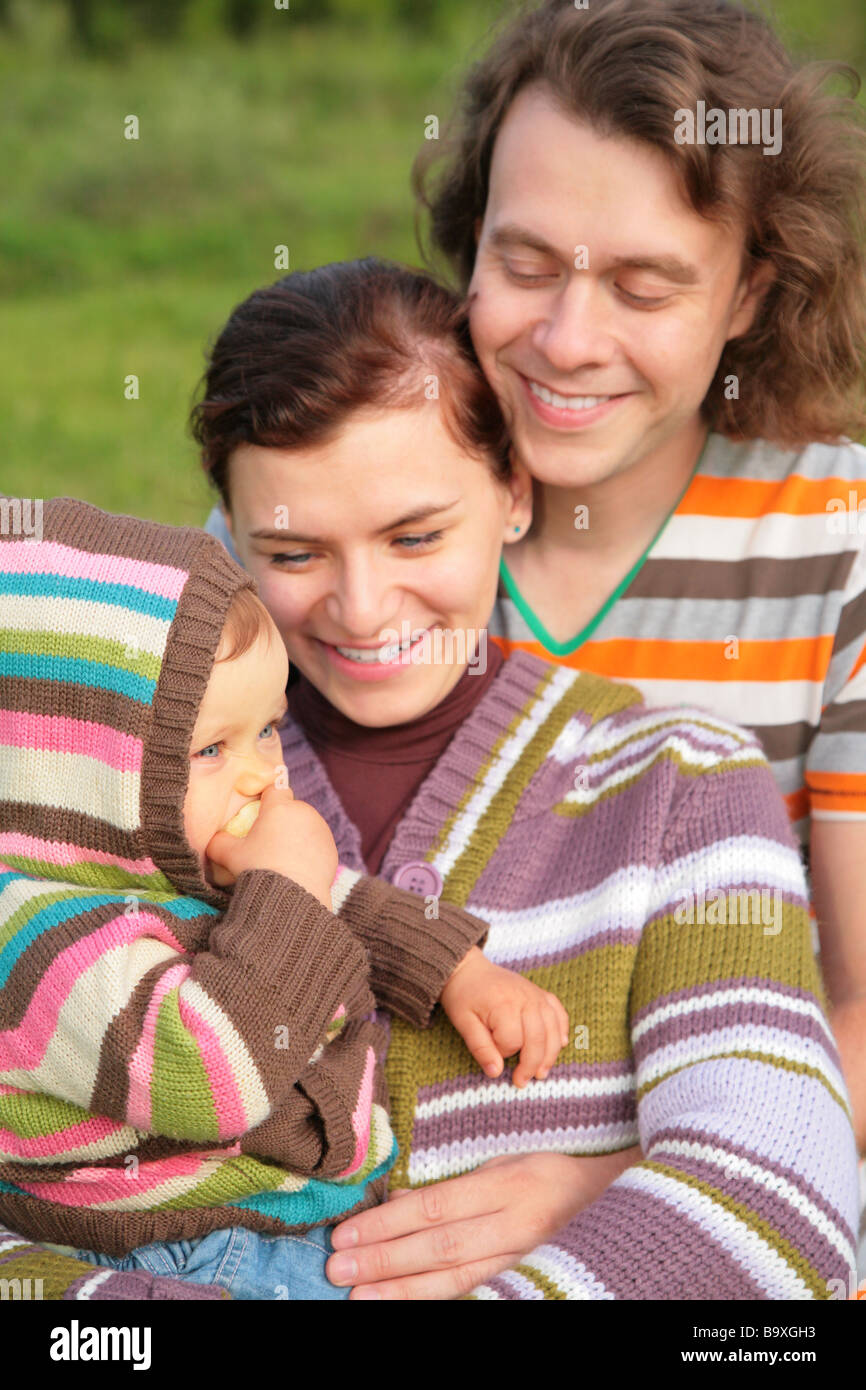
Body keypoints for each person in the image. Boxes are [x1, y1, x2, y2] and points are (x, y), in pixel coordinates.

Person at [196, 257, 859, 1300]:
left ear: (512, 492)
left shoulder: (679, 791)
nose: (362, 609)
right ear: (227, 536)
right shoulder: (141, 810)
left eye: (415, 535)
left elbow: (785, 1203)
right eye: (292, 553)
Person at [408, 0, 866, 1159]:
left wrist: (607, 1190)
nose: (565, 339)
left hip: (719, 1198)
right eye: (521, 264)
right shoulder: (341, 511)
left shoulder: (837, 545)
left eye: (643, 287)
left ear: (749, 295)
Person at [0, 494, 567, 1300]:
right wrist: (288, 887)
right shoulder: (37, 939)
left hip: (290, 1229)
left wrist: (453, 969)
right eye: (210, 748)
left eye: (266, 728)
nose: (263, 771)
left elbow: (337, 900)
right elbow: (207, 1075)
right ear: (69, 771)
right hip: (184, 1255)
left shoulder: (191, 869)